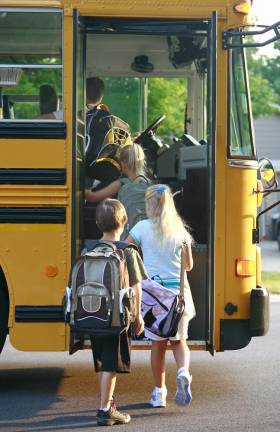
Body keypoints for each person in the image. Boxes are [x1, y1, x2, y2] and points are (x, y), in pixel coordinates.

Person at [126, 184, 196, 408]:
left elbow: (126, 248)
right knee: (179, 341)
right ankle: (183, 372)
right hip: (178, 296)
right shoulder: (181, 231)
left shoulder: (142, 228)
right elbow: (188, 265)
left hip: (154, 296)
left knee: (158, 346)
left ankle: (159, 393)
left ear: (149, 205)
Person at [88, 198, 147, 426]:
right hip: (116, 317)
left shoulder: (89, 249)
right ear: (124, 222)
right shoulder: (127, 251)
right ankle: (105, 410)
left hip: (92, 314)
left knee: (104, 362)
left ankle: (108, 402)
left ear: (97, 223)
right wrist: (138, 315)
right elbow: (136, 286)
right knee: (111, 364)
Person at [85, 143, 151, 237]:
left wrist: (77, 188)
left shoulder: (121, 183)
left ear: (123, 163)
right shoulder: (148, 184)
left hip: (128, 234)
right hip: (146, 233)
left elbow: (93, 197)